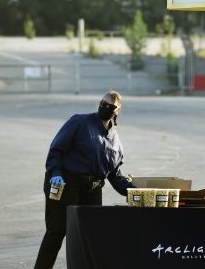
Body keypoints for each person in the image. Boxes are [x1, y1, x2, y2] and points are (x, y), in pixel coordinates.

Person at [35, 91, 135, 269]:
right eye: (103, 103)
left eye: (110, 106)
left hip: (93, 188)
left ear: (117, 111)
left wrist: (134, 191)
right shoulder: (79, 122)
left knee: (91, 233)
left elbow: (114, 174)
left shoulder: (115, 140)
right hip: (65, 182)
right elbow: (56, 149)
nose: (105, 107)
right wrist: (56, 172)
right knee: (58, 230)